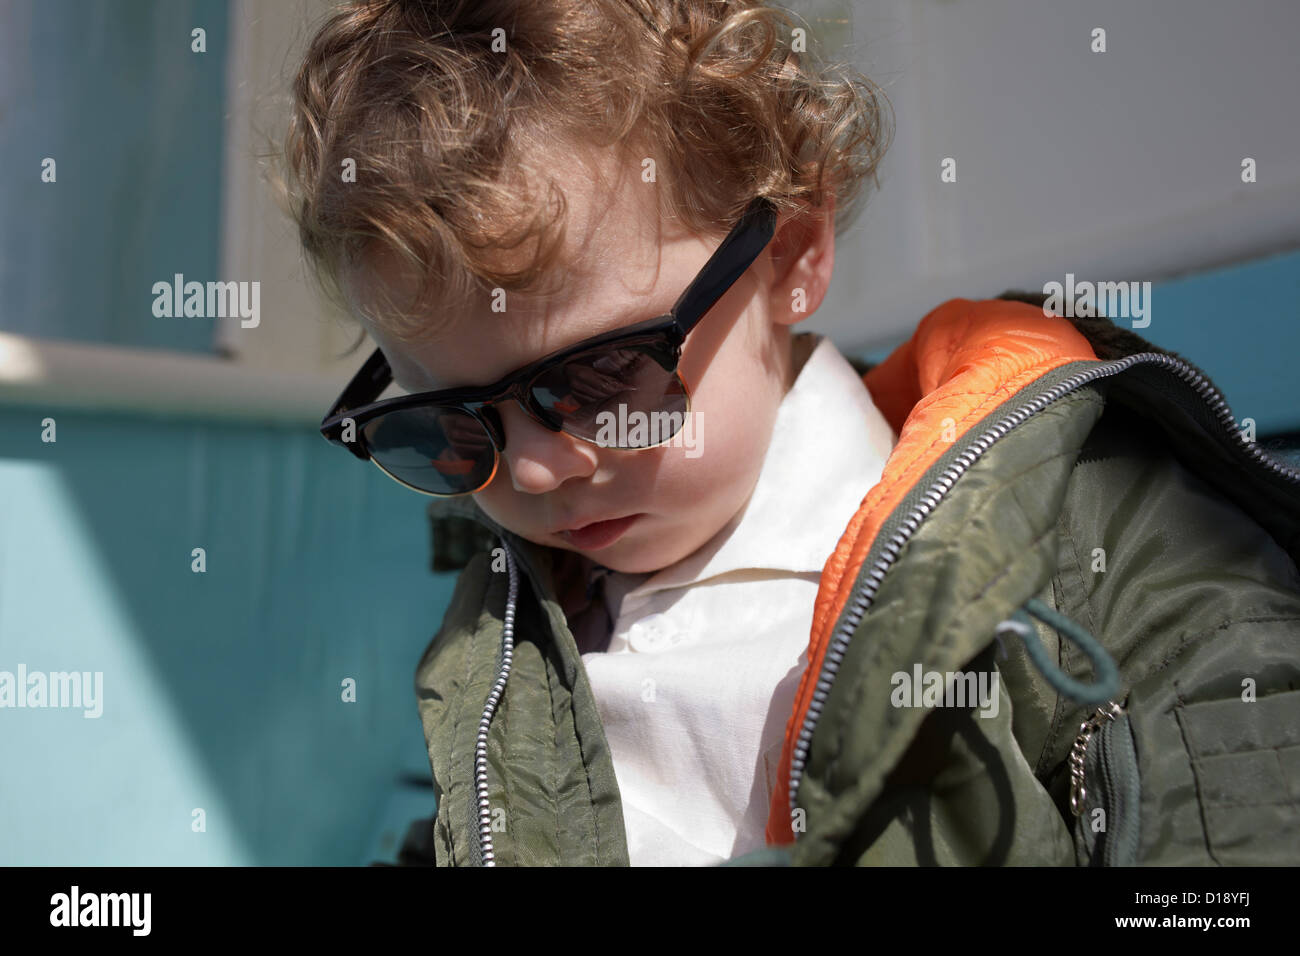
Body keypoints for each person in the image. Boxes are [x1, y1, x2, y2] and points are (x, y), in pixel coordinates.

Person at [282, 0, 1300, 865]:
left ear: (793, 256)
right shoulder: (513, 633)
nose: (539, 467)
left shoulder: (1094, 541)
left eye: (596, 375)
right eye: (451, 423)